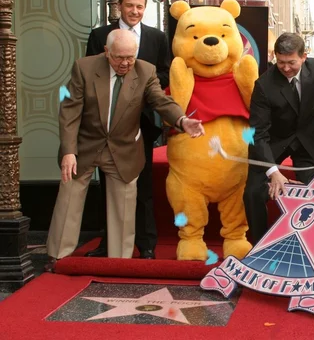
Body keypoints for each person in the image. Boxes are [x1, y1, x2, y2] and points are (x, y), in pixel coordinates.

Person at [45, 30, 204, 270]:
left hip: (123, 146)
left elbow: (161, 102)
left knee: (124, 208)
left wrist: (182, 121)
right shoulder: (84, 68)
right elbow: (69, 111)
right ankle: (58, 258)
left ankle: (119, 261)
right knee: (69, 198)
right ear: (107, 52)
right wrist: (69, 151)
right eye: (119, 57)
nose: (126, 63)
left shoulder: (145, 70)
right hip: (85, 144)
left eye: (130, 57)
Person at [85, 0, 171, 259]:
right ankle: (107, 243)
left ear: (145, 8)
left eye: (140, 6)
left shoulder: (157, 37)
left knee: (143, 184)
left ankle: (146, 245)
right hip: (106, 126)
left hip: (140, 122)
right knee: (108, 186)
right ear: (119, 6)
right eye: (129, 5)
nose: (134, 11)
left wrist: (140, 87)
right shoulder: (99, 35)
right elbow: (90, 74)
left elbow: (166, 73)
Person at [243, 32, 314, 243]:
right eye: (280, 62)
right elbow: (258, 133)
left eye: (291, 62)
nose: (286, 68)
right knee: (252, 193)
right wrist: (273, 172)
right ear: (274, 56)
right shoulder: (264, 85)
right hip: (273, 142)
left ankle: (308, 245)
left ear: (304, 56)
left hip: (308, 140)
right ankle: (258, 245)